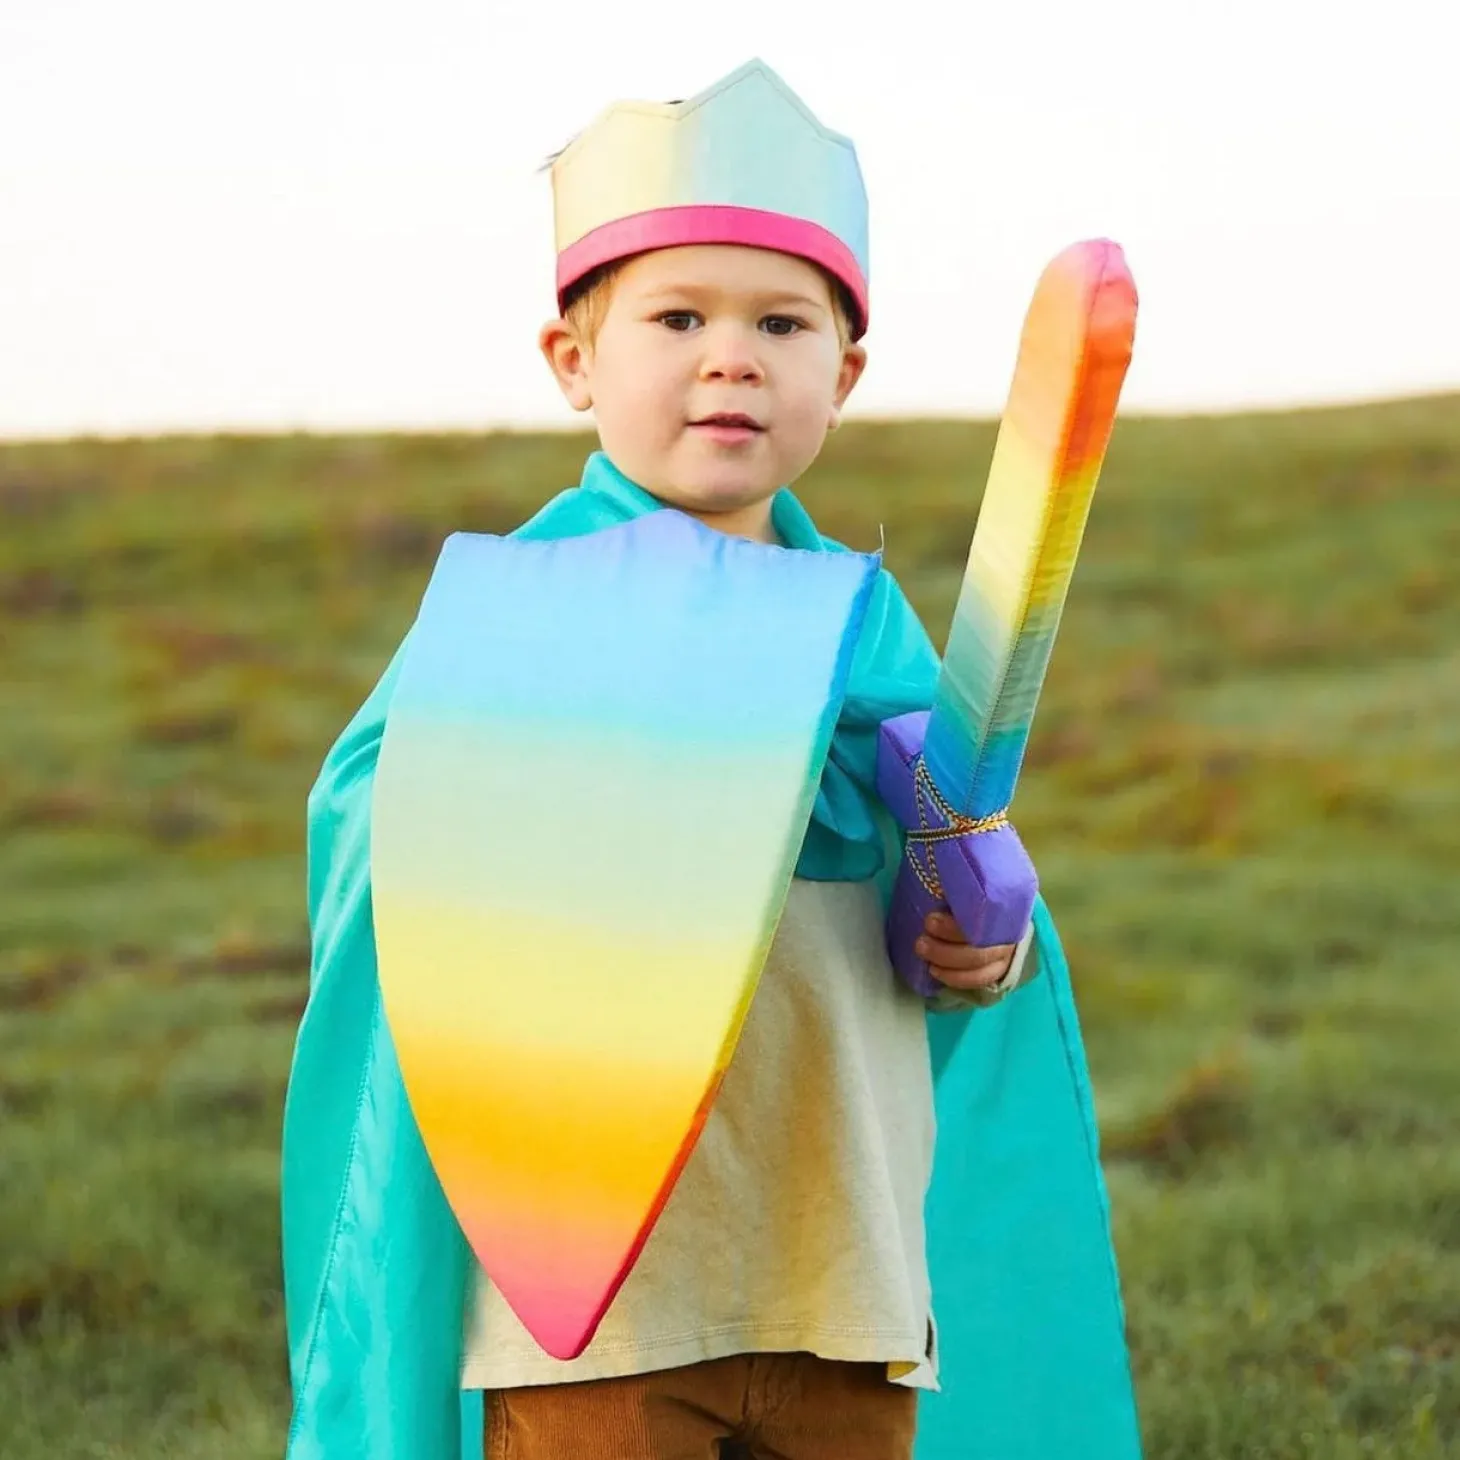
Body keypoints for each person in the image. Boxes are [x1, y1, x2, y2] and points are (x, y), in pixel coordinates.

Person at [281, 58, 1143, 1460]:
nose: (730, 355)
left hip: (843, 1280)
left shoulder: (869, 629)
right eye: (677, 316)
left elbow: (955, 871)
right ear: (575, 363)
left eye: (782, 322)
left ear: (843, 374)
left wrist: (982, 936)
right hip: (601, 1311)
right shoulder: (517, 613)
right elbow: (389, 829)